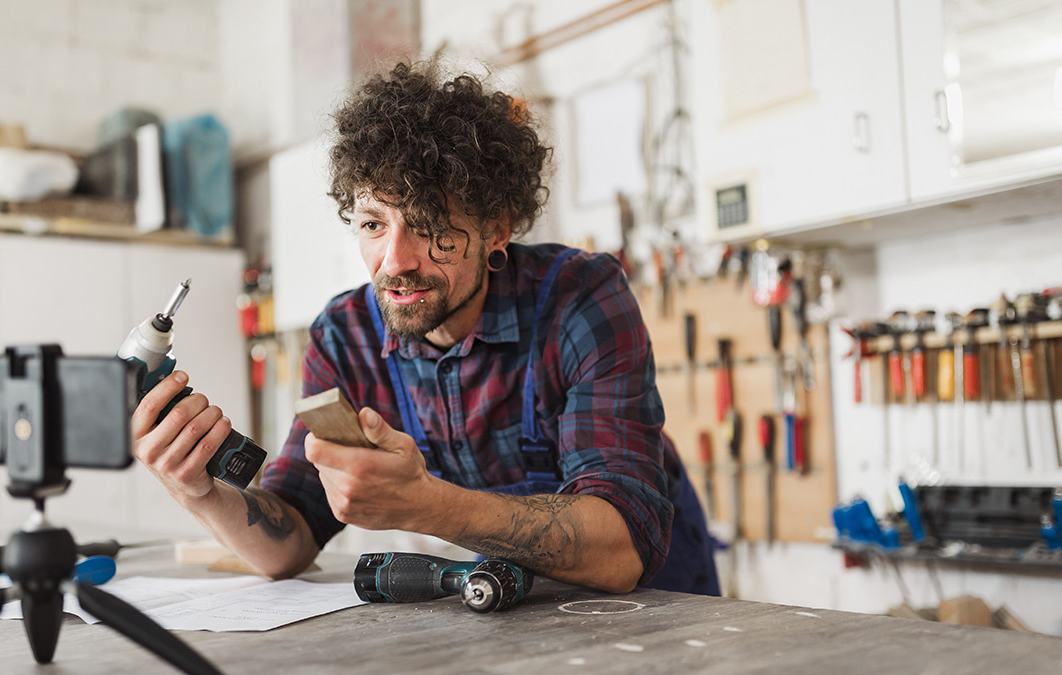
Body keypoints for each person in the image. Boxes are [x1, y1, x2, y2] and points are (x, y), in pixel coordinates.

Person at [133, 61, 718, 595]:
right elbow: (287, 542)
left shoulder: (581, 298)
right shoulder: (344, 336)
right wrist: (199, 492)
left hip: (657, 604)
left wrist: (425, 506)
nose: (394, 261)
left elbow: (622, 549)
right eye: (372, 223)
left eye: (430, 225)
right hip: (513, 604)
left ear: (496, 229)